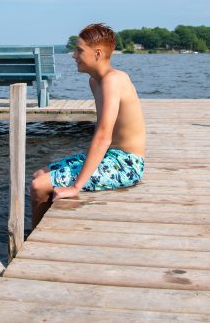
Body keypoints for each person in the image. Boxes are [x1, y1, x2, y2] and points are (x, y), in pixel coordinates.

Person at [29, 23, 146, 229]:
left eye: (79, 50)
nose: (73, 55)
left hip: (127, 164)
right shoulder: (95, 81)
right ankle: (46, 231)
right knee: (39, 175)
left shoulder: (114, 80)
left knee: (39, 186)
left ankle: (32, 241)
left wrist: (76, 186)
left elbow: (103, 136)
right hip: (110, 157)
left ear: (98, 53)